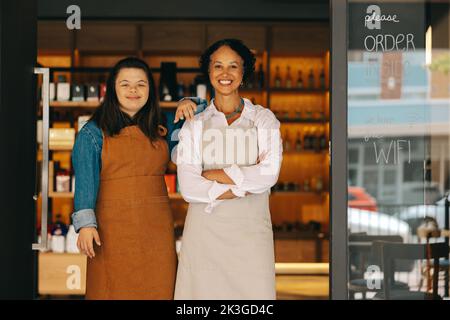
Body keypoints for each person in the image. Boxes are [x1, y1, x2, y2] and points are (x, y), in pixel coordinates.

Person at [71, 57, 199, 299]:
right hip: (111, 232)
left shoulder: (165, 125)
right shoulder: (92, 132)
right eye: (125, 84)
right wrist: (86, 225)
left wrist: (189, 102)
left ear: (150, 90)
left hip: (156, 231)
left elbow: (204, 119)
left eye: (141, 84)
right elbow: (85, 181)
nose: (133, 90)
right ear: (112, 89)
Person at [173, 39, 283, 299]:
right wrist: (243, 185)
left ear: (244, 72)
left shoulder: (263, 119)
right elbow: (189, 188)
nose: (225, 73)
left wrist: (215, 176)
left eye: (233, 66)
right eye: (218, 66)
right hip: (205, 235)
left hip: (251, 233)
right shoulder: (194, 123)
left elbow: (269, 174)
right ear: (209, 72)